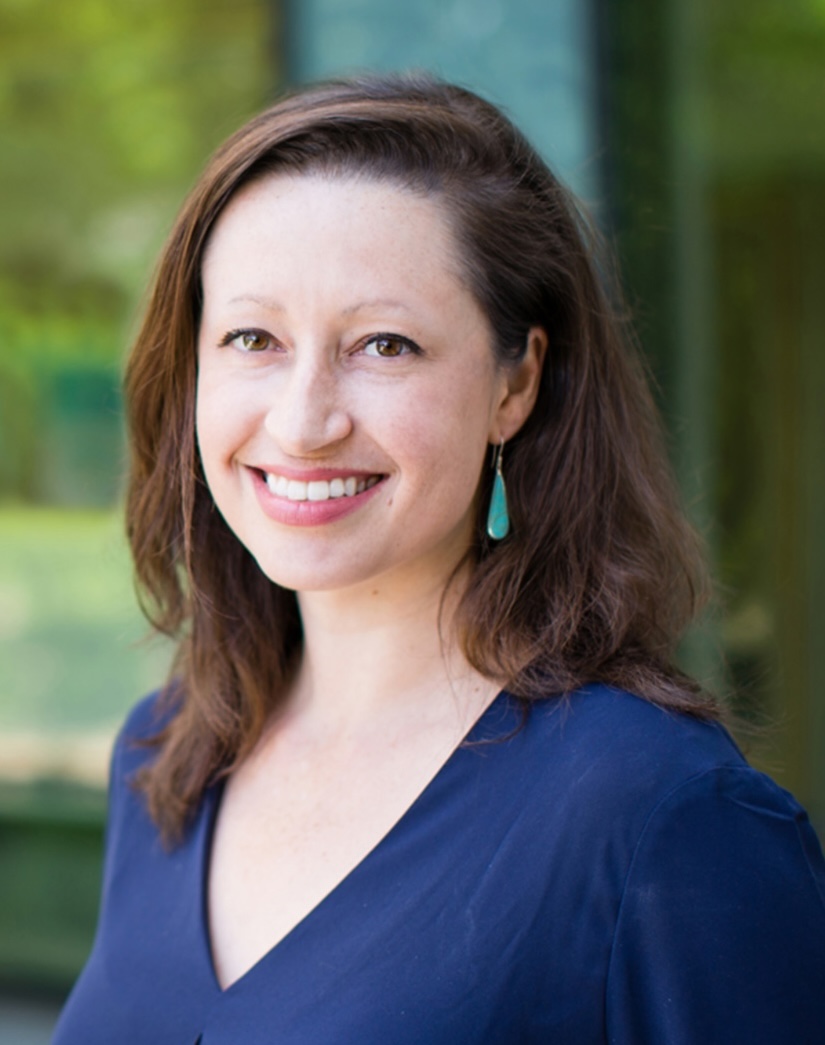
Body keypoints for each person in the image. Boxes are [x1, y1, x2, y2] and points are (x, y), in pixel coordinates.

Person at [54, 74, 825, 1044]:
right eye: (253, 337)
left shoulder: (658, 818)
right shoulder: (167, 753)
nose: (303, 421)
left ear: (517, 382)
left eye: (384, 344)